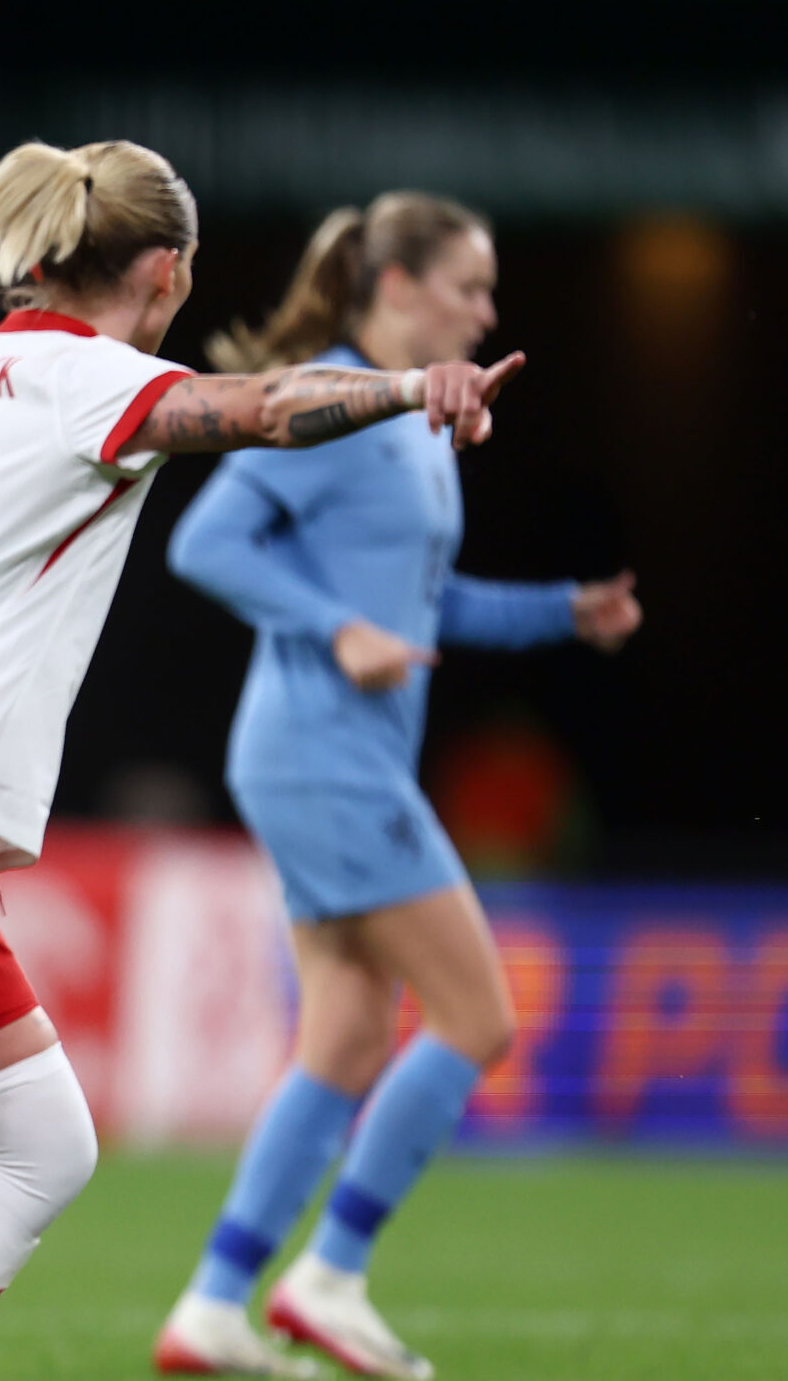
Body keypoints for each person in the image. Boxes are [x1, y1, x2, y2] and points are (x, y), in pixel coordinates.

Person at [0, 139, 526, 1381]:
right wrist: (411, 386)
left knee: (44, 1143)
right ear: (167, 271)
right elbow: (263, 409)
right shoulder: (95, 385)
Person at [151, 194, 641, 1380]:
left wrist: (559, 612)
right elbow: (203, 541)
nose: (485, 309)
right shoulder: (329, 399)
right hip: (322, 754)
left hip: (322, 755)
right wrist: (333, 627)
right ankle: (330, 1274)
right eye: (467, 286)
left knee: (349, 1033)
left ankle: (214, 1302)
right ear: (397, 286)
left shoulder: (408, 423)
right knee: (478, 1016)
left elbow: (423, 602)